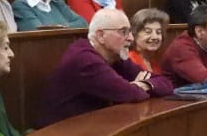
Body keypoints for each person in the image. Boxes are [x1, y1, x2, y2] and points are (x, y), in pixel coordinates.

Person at [36, 9, 174, 126]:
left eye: (130, 32)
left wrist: (143, 84)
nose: (131, 38)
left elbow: (166, 84)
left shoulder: (115, 55)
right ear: (101, 36)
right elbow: (130, 94)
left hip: (88, 127)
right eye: (123, 32)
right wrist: (134, 88)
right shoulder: (84, 59)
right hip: (58, 132)